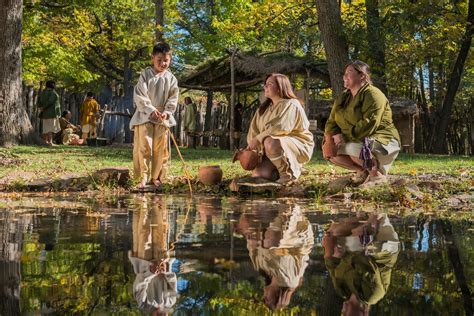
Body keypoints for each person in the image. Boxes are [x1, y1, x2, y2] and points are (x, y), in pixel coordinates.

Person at [323, 60, 401, 186]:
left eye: (349, 72)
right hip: (355, 139)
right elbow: (332, 121)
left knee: (354, 149)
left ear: (362, 76)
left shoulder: (373, 94)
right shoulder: (343, 97)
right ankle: (362, 171)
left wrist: (345, 137)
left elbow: (369, 123)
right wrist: (329, 139)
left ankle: (377, 175)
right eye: (344, 74)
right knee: (331, 152)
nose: (345, 76)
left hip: (382, 139)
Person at [237, 204, 314, 310]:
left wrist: (250, 235)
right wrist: (264, 244)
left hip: (272, 238)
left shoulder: (263, 271)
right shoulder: (290, 281)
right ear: (278, 297)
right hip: (294, 240)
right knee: (271, 241)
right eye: (267, 299)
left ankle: (255, 204)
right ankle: (286, 208)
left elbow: (252, 246)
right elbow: (285, 254)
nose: (264, 296)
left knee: (247, 226)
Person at [322, 212, 400, 316]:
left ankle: (359, 217)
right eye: (347, 315)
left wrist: (329, 239)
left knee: (335, 231)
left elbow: (330, 262)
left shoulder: (342, 291)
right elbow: (366, 261)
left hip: (357, 250)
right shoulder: (372, 295)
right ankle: (375, 216)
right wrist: (343, 254)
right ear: (362, 314)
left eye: (342, 314)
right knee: (362, 240)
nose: (343, 312)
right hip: (383, 252)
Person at [246, 73, 314, 184]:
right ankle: (292, 168)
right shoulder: (263, 109)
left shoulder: (291, 103)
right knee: (259, 175)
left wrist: (259, 139)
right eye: (265, 84)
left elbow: (281, 127)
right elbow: (253, 132)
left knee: (270, 141)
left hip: (297, 143)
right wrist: (253, 150)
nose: (265, 87)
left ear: (280, 87)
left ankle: (286, 176)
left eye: (270, 84)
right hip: (269, 147)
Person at [130, 42, 179, 189]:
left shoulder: (171, 78)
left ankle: (157, 176)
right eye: (159, 60)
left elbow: (173, 97)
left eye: (166, 60)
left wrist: (167, 112)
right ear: (153, 58)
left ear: (170, 60)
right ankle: (142, 177)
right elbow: (140, 94)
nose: (163, 63)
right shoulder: (145, 75)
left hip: (162, 117)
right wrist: (151, 109)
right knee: (144, 146)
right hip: (146, 115)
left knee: (160, 147)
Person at [129, 196, 178, 314]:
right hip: (162, 262)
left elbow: (139, 284)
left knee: (144, 231)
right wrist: (165, 271)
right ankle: (157, 202)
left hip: (144, 263)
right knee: (160, 231)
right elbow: (173, 280)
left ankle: (142, 202)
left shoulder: (143, 304)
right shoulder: (171, 302)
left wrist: (151, 273)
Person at [37, 80, 61, 146]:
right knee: (50, 128)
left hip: (44, 113)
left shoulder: (43, 92)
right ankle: (50, 142)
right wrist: (44, 107)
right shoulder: (53, 93)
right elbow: (50, 102)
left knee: (45, 128)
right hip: (51, 113)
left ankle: (45, 142)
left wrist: (41, 107)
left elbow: (38, 101)